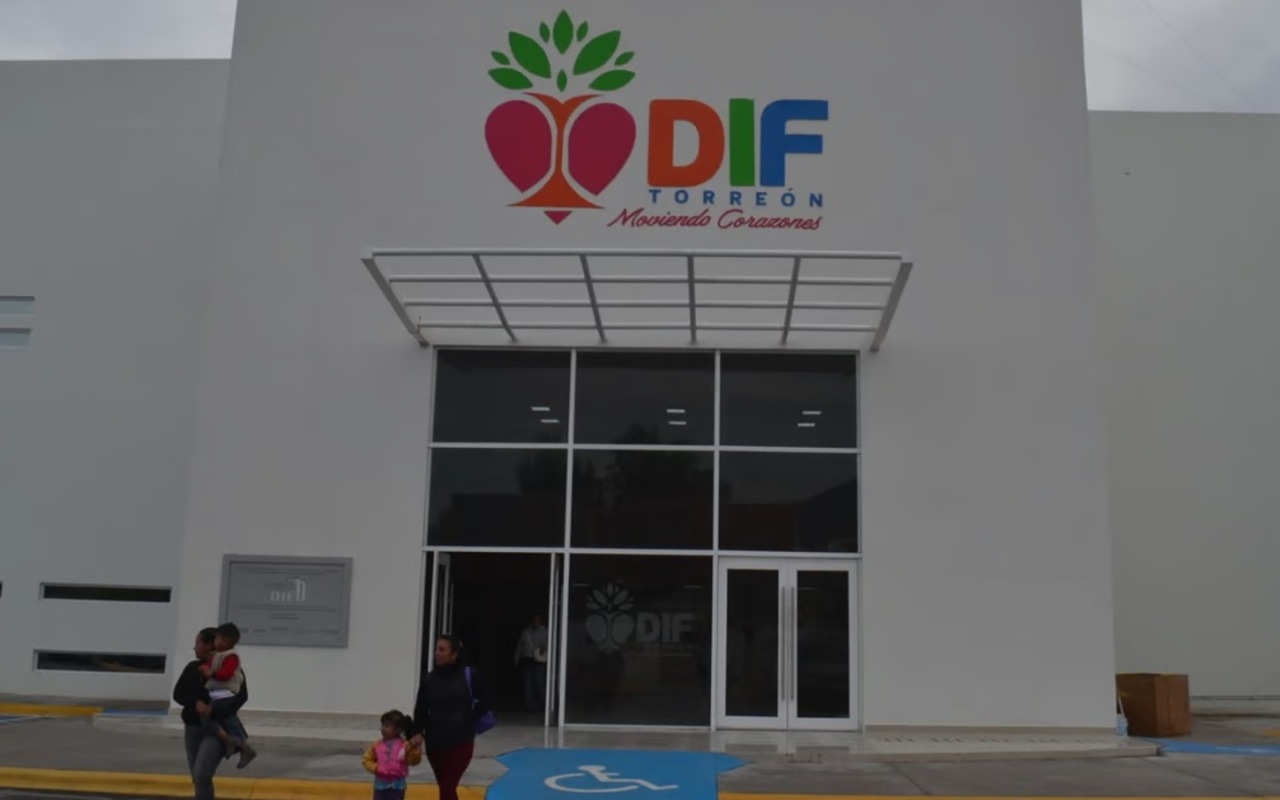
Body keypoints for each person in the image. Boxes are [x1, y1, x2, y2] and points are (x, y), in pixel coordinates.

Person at [410, 635, 491, 800]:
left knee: (447, 786)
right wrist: (417, 732)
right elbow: (421, 709)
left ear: (454, 654)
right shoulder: (429, 680)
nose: (437, 653)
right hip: (435, 744)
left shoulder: (469, 675)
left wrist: (468, 720)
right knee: (446, 788)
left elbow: (485, 702)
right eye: (436, 649)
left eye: (442, 650)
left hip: (460, 742)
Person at [173, 627, 248, 800]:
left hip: (215, 730)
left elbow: (241, 696)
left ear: (208, 645)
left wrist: (213, 710)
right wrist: (195, 703)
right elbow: (179, 694)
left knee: (202, 773)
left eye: (198, 643)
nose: (194, 647)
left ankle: (238, 744)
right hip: (193, 727)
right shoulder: (193, 668)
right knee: (197, 777)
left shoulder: (230, 668)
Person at [199, 622, 257, 768]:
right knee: (217, 718)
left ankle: (240, 744)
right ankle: (235, 742)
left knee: (223, 717)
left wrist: (211, 673)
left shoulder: (231, 657)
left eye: (217, 638)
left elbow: (226, 673)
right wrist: (205, 667)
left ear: (225, 641)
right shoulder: (216, 656)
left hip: (226, 694)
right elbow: (210, 665)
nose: (215, 641)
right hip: (216, 694)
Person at [362, 709, 423, 800]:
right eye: (383, 725)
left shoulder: (405, 746)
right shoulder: (377, 745)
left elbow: (413, 761)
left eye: (387, 726)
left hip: (397, 787)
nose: (383, 729)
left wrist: (416, 750)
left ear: (398, 730)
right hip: (380, 786)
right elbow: (366, 759)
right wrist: (376, 768)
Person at [513, 613, 548, 712]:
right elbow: (520, 645)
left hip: (540, 661)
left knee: (539, 683)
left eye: (538, 620)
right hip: (527, 659)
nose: (536, 622)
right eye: (534, 620)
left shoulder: (545, 632)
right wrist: (516, 657)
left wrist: (544, 649)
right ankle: (529, 706)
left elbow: (548, 645)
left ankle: (544, 704)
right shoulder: (526, 633)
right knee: (527, 684)